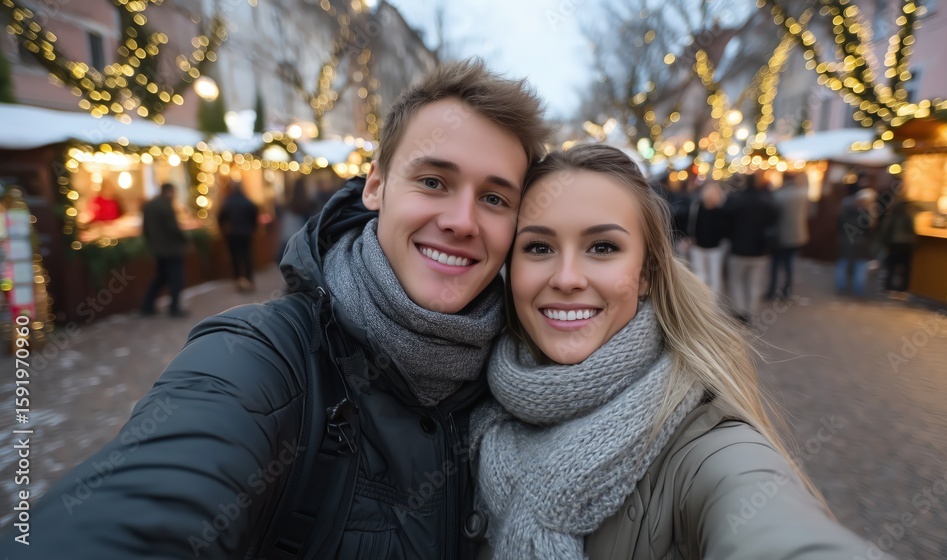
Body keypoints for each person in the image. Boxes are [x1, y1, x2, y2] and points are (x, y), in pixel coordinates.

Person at [5, 58, 550, 559]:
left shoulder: (531, 372)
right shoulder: (264, 358)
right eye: (432, 182)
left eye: (494, 198)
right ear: (377, 185)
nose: (461, 221)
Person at [472, 144, 875, 559]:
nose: (567, 278)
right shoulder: (468, 396)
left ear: (646, 273)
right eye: (539, 247)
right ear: (510, 266)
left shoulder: (706, 442)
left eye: (603, 247)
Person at [723, 173, 778, 322]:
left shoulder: (737, 200)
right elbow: (774, 221)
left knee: (736, 281)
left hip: (738, 249)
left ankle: (739, 310)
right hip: (760, 251)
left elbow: (726, 219)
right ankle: (751, 311)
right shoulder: (767, 202)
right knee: (754, 283)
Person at [138, 182, 188, 317]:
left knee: (161, 278)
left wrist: (151, 243)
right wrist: (184, 239)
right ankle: (174, 308)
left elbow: (145, 229)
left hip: (157, 249)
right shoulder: (166, 206)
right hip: (171, 249)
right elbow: (173, 228)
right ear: (169, 192)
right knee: (176, 279)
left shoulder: (150, 205)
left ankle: (147, 305)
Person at [766, 172, 811, 301]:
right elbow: (811, 212)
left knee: (775, 265)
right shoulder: (802, 194)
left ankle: (771, 291)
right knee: (789, 264)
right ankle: (787, 291)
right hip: (797, 235)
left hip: (780, 235)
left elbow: (771, 215)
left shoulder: (778, 195)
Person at [686, 180, 728, 297]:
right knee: (701, 275)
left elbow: (724, 230)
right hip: (698, 246)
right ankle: (703, 300)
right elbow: (691, 224)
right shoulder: (696, 207)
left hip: (714, 248)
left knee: (713, 277)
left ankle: (711, 302)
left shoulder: (721, 210)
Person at [217, 180, 260, 292]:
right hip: (246, 233)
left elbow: (220, 218)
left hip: (232, 234)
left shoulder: (227, 202)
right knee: (247, 257)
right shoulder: (247, 202)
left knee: (235, 258)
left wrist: (224, 229)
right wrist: (252, 228)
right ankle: (249, 280)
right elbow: (254, 217)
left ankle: (239, 281)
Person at [836, 187, 878, 297]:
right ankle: (858, 290)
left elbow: (840, 223)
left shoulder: (846, 210)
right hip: (861, 243)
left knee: (843, 263)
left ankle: (841, 286)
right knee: (860, 266)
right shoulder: (867, 213)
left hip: (846, 240)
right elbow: (870, 229)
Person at [877, 190, 918, 298]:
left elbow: (885, 230)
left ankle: (889, 287)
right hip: (907, 245)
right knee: (905, 268)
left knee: (891, 267)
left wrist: (884, 243)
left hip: (894, 244)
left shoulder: (892, 215)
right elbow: (912, 231)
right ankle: (902, 290)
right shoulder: (909, 216)